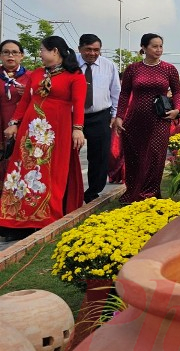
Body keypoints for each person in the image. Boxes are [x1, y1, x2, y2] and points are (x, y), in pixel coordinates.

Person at [0, 36, 86, 238]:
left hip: (57, 131)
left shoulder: (75, 75)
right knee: (21, 172)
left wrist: (78, 128)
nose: (40, 53)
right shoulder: (37, 73)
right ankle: (15, 220)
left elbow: (79, 104)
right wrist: (14, 124)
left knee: (49, 173)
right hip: (29, 131)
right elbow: (25, 102)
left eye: (42, 50)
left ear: (55, 51)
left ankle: (43, 218)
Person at [114, 33, 180, 203]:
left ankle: (149, 195)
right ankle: (133, 192)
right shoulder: (133, 69)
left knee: (155, 158)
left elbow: (178, 92)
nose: (159, 50)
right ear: (144, 48)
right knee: (135, 159)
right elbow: (124, 95)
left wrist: (177, 109)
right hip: (135, 120)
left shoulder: (169, 69)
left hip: (160, 120)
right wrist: (119, 117)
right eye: (154, 46)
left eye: (161, 46)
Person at [77, 34, 121, 203]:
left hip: (101, 115)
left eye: (96, 50)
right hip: (75, 116)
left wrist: (115, 115)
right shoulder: (70, 64)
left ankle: (93, 192)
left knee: (100, 155)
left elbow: (116, 91)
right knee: (69, 154)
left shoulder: (108, 65)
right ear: (80, 49)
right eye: (88, 49)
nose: (92, 53)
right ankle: (70, 191)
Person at [0, 40, 29, 176]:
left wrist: (30, 94)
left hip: (22, 127)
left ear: (21, 55)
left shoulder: (31, 77)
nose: (10, 56)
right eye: (6, 52)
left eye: (14, 52)